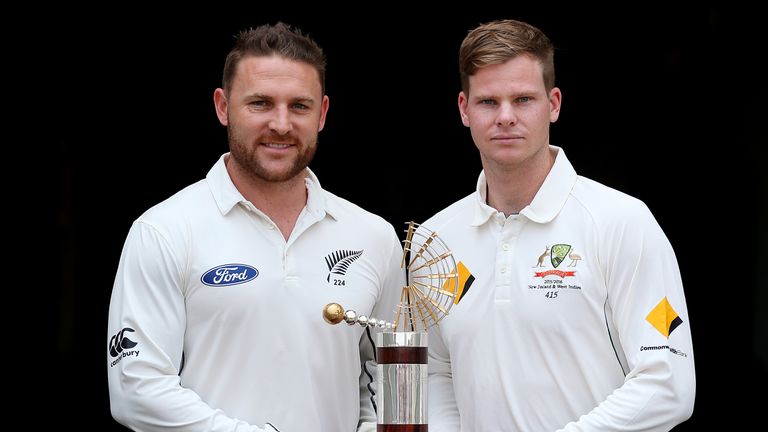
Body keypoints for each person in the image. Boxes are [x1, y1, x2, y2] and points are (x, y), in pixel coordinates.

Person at [107, 22, 404, 432]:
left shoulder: (374, 237)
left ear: (323, 113)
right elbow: (136, 389)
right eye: (261, 103)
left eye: (299, 106)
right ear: (223, 106)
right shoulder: (164, 230)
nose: (281, 124)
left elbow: (389, 378)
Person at [425, 19, 695, 431]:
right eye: (488, 102)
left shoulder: (620, 221)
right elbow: (435, 372)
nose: (506, 117)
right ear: (464, 109)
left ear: (553, 103)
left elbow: (668, 382)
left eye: (523, 99)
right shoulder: (435, 239)